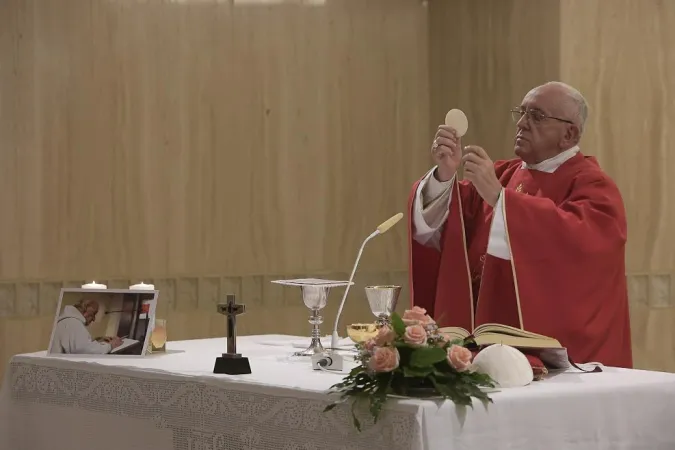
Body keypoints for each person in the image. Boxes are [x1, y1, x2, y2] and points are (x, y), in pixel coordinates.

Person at [407, 81, 632, 368]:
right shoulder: (503, 173)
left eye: (537, 116)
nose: (522, 124)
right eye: (521, 113)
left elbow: (581, 250)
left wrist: (502, 200)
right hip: (486, 345)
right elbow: (446, 230)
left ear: (569, 133)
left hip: (558, 358)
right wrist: (444, 176)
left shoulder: (593, 185)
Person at [51, 298, 123, 354]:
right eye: (93, 314)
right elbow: (85, 350)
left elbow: (76, 344)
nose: (94, 319)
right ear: (87, 312)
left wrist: (99, 339)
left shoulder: (67, 321)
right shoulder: (74, 323)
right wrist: (111, 346)